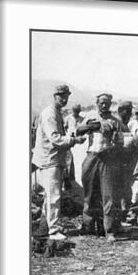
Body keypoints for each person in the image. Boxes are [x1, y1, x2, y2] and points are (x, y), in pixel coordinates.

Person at [32, 85, 85, 240]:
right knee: (54, 196)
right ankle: (53, 231)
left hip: (53, 159)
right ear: (54, 96)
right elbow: (55, 139)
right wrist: (74, 140)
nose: (64, 99)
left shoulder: (56, 113)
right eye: (61, 96)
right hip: (50, 159)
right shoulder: (50, 114)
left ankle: (45, 227)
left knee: (50, 196)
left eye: (66, 96)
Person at [77, 93, 125, 241]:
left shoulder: (115, 121)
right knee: (89, 192)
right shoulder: (91, 116)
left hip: (108, 158)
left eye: (107, 103)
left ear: (111, 104)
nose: (104, 105)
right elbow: (78, 131)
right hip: (92, 156)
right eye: (102, 103)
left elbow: (122, 142)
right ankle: (88, 226)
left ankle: (109, 230)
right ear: (97, 103)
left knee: (108, 194)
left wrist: (114, 136)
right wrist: (89, 126)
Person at [64, 104, 86, 185]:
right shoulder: (68, 118)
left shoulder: (82, 119)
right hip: (71, 141)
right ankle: (69, 179)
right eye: (75, 111)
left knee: (79, 161)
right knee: (70, 160)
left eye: (77, 111)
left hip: (80, 142)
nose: (76, 112)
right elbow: (64, 127)